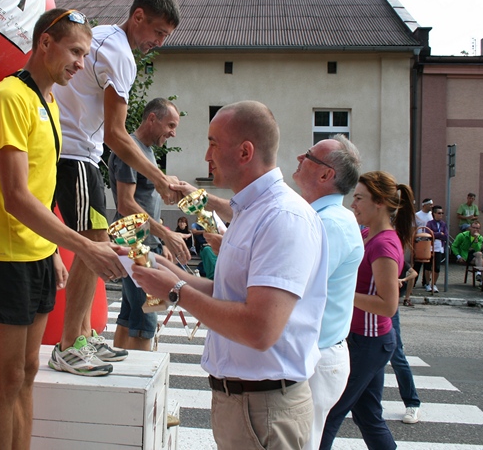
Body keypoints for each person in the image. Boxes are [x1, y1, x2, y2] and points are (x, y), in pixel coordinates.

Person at [0, 8, 126, 450]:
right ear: (45, 43)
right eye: (75, 52)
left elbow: (42, 187)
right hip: (1, 255)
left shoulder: (49, 101)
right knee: (6, 377)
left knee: (28, 372)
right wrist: (84, 247)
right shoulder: (9, 98)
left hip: (36, 253)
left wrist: (53, 250)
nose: (81, 63)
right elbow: (16, 196)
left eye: (85, 54)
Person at [133, 101, 328, 450]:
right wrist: (159, 268)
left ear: (245, 152)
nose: (206, 156)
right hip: (246, 403)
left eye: (213, 143)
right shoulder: (251, 211)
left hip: (265, 406)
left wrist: (176, 290)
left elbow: (259, 328)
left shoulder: (282, 217)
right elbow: (226, 292)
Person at [51, 0, 183, 376]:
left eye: (165, 37)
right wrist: (159, 178)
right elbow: (115, 134)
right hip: (75, 154)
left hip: (74, 152)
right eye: (157, 32)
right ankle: (69, 344)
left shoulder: (104, 36)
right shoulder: (121, 53)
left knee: (96, 247)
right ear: (138, 16)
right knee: (94, 248)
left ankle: (82, 335)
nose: (158, 43)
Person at [321, 170, 416, 450]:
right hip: (361, 338)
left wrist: (342, 294)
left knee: (330, 414)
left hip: (370, 341)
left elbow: (388, 305)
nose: (353, 204)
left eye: (359, 198)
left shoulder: (384, 244)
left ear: (380, 202)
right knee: (368, 416)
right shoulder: (365, 234)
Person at [292, 135, 364, 450]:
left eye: (308, 155)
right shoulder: (320, 217)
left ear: (325, 174)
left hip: (316, 357)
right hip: (313, 353)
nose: (299, 157)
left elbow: (293, 284)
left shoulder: (330, 223)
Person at [108, 98, 184, 352]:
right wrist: (166, 235)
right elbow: (126, 204)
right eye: (170, 125)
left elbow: (145, 202)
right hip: (134, 243)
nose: (173, 133)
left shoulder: (145, 150)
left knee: (130, 313)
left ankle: (120, 368)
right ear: (152, 118)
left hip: (141, 242)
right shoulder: (131, 149)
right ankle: (140, 374)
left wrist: (161, 240)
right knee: (147, 315)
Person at [391, 262, 422, 424]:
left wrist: (401, 279)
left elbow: (413, 273)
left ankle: (412, 403)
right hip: (366, 308)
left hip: (388, 305)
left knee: (397, 356)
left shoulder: (390, 253)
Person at [451, 221, 483, 292]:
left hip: (473, 254)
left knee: (479, 254)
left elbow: (478, 249)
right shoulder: (462, 235)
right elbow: (454, 246)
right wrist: (458, 256)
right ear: (470, 228)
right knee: (481, 262)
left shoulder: (480, 237)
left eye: (477, 228)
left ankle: (478, 274)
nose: (475, 230)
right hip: (463, 254)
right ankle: (481, 281)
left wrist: (476, 240)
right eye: (474, 228)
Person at [425, 206, 448, 291]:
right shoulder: (430, 223)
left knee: (437, 267)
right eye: (439, 213)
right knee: (428, 266)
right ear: (434, 214)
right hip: (430, 247)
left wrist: (436, 234)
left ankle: (434, 284)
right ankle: (427, 283)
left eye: (442, 213)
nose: (441, 215)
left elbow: (445, 236)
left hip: (439, 247)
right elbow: (429, 234)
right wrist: (439, 234)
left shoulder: (443, 224)